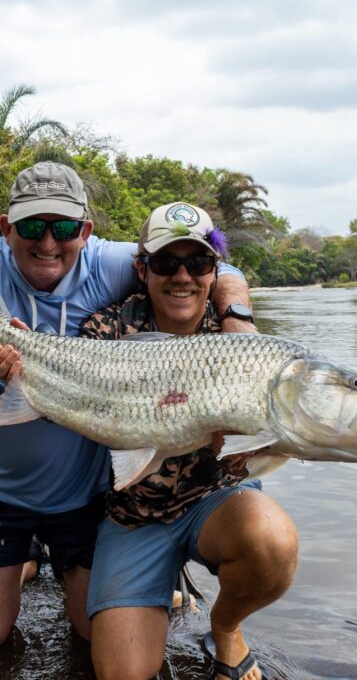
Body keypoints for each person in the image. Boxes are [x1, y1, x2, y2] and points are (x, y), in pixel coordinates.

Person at [0, 163, 257, 652]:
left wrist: (236, 319)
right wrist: (0, 369)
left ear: (85, 231)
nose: (48, 243)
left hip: (82, 496)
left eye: (64, 228)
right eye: (31, 227)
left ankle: (53, 560)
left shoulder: (110, 263)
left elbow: (217, 267)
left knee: (91, 634)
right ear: (7, 228)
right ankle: (28, 556)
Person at [79, 202, 299, 680]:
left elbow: (277, 443)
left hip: (213, 501)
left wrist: (270, 443)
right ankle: (160, 578)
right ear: (142, 269)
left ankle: (226, 629)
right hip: (132, 515)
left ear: (213, 273)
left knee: (273, 541)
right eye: (165, 263)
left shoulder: (244, 341)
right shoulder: (104, 330)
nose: (183, 276)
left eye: (197, 264)